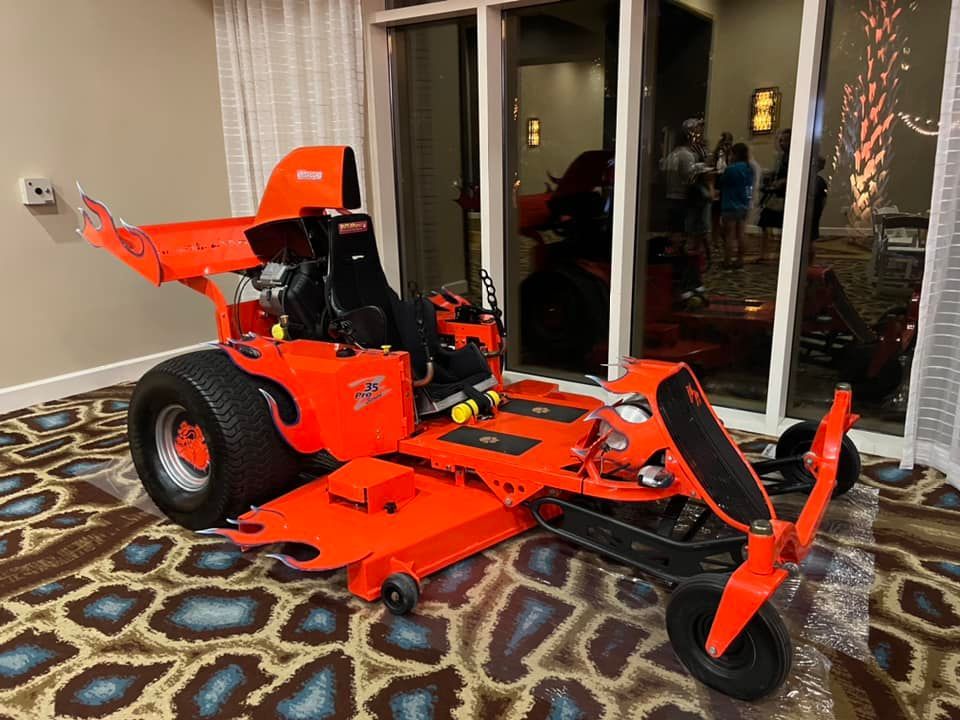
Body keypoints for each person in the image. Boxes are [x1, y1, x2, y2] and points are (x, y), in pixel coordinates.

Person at [662, 119, 699, 250]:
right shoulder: (687, 155)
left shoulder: (671, 155)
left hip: (669, 194)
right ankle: (678, 251)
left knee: (672, 225)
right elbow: (689, 176)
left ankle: (672, 248)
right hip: (681, 196)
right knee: (680, 226)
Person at [757, 128, 791, 262]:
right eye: (781, 140)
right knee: (765, 223)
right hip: (775, 196)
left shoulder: (793, 156)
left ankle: (781, 254)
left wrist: (783, 182)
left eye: (785, 140)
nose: (782, 143)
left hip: (785, 197)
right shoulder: (781, 157)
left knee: (784, 227)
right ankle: (765, 253)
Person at [719, 143, 755, 269]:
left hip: (729, 204)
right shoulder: (749, 168)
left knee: (729, 235)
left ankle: (727, 260)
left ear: (735, 154)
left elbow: (722, 182)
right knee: (741, 234)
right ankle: (740, 260)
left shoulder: (731, 169)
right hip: (743, 204)